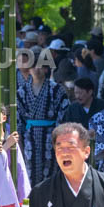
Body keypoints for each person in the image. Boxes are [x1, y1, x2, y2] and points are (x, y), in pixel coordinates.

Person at [17, 49, 69, 183]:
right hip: (29, 138)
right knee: (29, 176)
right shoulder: (22, 92)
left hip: (51, 138)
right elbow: (19, 121)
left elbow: (63, 116)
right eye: (34, 66)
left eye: (42, 66)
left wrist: (59, 139)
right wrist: (20, 143)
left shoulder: (57, 90)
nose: (38, 69)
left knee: (51, 175)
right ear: (29, 69)